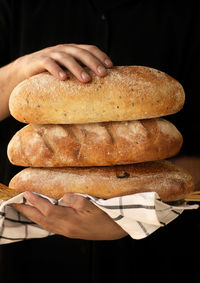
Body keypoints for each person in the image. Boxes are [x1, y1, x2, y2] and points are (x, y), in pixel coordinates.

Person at [0, 1, 200, 282]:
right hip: (29, 261)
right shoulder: (12, 8)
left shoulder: (187, 18)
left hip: (155, 256)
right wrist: (14, 73)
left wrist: (132, 215)